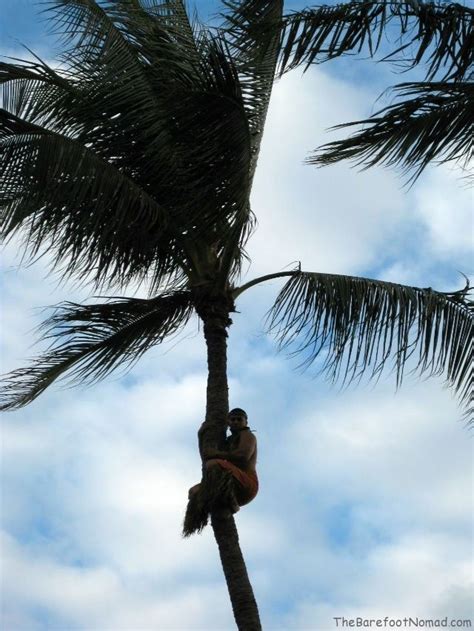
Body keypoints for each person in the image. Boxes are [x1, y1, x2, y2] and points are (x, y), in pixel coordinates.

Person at [188, 408, 258, 513]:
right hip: (229, 484)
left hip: (246, 486)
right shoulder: (228, 441)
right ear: (228, 422)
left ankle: (232, 503)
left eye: (239, 419)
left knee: (213, 464)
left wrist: (216, 454)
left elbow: (243, 455)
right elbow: (206, 458)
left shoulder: (248, 435)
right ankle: (215, 509)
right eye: (233, 419)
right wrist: (201, 435)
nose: (236, 422)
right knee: (193, 492)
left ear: (246, 422)